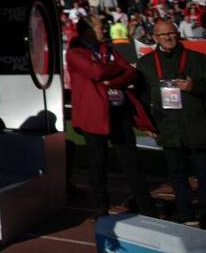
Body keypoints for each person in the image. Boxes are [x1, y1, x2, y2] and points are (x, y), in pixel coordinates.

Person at [67, 16, 157, 219]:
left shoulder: (108, 49)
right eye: (100, 26)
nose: (104, 29)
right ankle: (101, 209)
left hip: (118, 111)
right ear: (87, 30)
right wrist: (115, 73)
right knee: (97, 164)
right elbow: (96, 71)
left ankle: (146, 208)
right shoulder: (75, 52)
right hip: (94, 115)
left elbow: (131, 72)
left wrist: (111, 81)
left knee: (132, 161)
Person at [136, 20, 206, 227]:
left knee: (203, 174)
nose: (168, 38)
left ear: (178, 34)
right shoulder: (146, 63)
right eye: (163, 35)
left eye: (171, 33)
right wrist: (147, 124)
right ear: (155, 38)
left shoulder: (199, 60)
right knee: (177, 174)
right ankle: (185, 212)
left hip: (197, 126)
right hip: (168, 128)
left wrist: (196, 86)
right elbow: (140, 97)